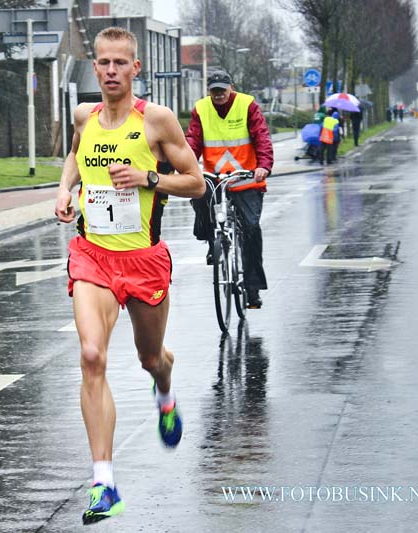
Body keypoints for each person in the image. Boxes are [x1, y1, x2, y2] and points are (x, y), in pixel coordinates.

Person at [53, 26, 204, 525]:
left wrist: (148, 178)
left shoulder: (156, 121)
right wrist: (63, 189)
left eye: (121, 63)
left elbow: (197, 183)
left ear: (135, 68)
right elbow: (76, 152)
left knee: (149, 357)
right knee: (92, 355)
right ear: (94, 67)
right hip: (93, 255)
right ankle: (104, 483)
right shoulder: (84, 116)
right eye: (104, 63)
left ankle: (165, 388)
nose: (112, 71)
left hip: (142, 260)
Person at [185, 69, 273, 309]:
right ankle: (212, 238)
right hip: (214, 177)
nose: (219, 95)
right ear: (209, 92)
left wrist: (264, 165)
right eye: (214, 91)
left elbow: (262, 136)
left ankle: (252, 290)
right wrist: (186, 165)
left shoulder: (247, 105)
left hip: (246, 178)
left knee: (251, 229)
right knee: (198, 193)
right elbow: (193, 140)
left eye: (223, 90)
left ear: (231, 87)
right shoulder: (201, 109)